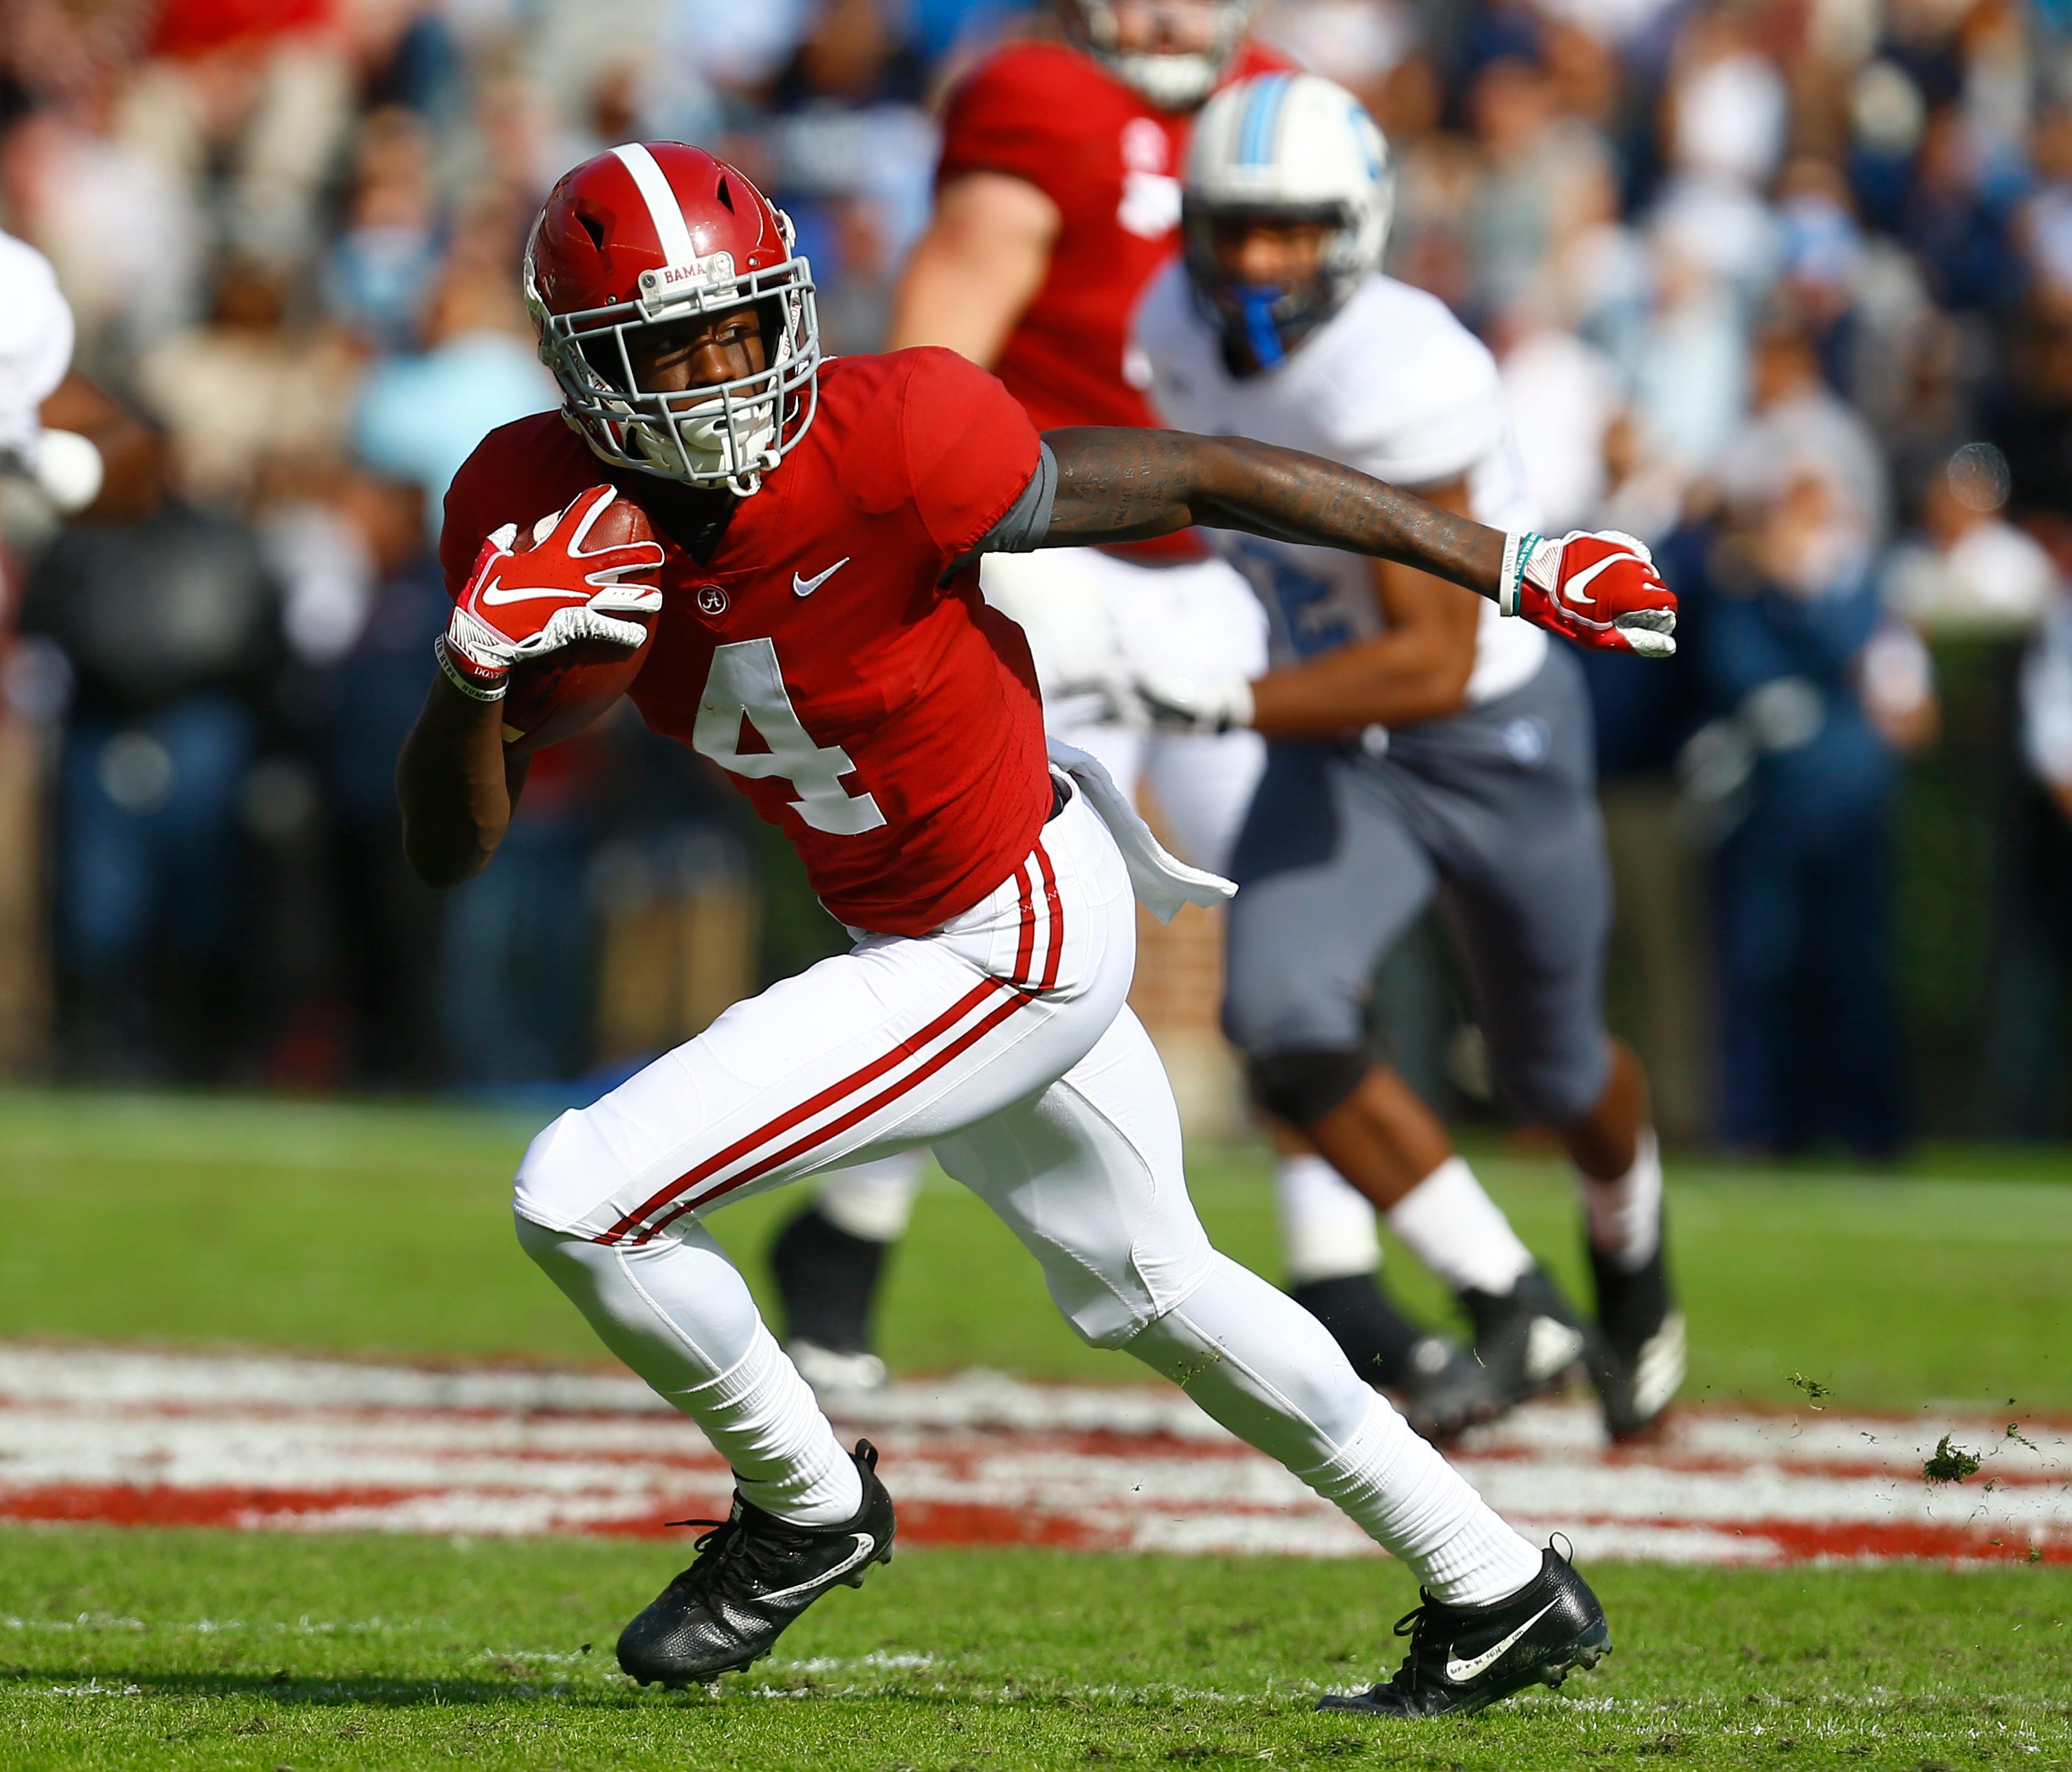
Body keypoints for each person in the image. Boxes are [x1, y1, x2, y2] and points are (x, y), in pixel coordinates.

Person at [397, 143, 1674, 1714]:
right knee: (1158, 1288)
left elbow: (1204, 470)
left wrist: (1506, 561)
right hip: (916, 930)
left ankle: (805, 1506)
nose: (725, 370)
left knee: (581, 1192)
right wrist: (468, 678)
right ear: (582, 367)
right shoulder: (534, 507)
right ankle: (1496, 1583)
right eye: (674, 346)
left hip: (1007, 930)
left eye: (744, 323)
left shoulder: (898, 434)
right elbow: (452, 846)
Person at [1121, 74, 1682, 1441]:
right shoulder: (1165, 325)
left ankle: (1630, 1254)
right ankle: (1509, 1298)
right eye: (1233, 227)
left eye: (1291, 230)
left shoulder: (1404, 362)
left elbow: (1429, 658)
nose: (1255, 263)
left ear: (1355, 227)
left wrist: (1222, 696)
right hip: (1344, 746)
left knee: (1552, 1074)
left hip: (1485, 731)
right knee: (1282, 1016)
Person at [766, 0, 1290, 1391]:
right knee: (981, 918)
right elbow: (941, 344)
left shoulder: (1282, 103)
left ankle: (1347, 1259)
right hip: (1063, 541)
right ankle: (849, 1234)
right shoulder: (1039, 96)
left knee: (1299, 916)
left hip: (1229, 559)